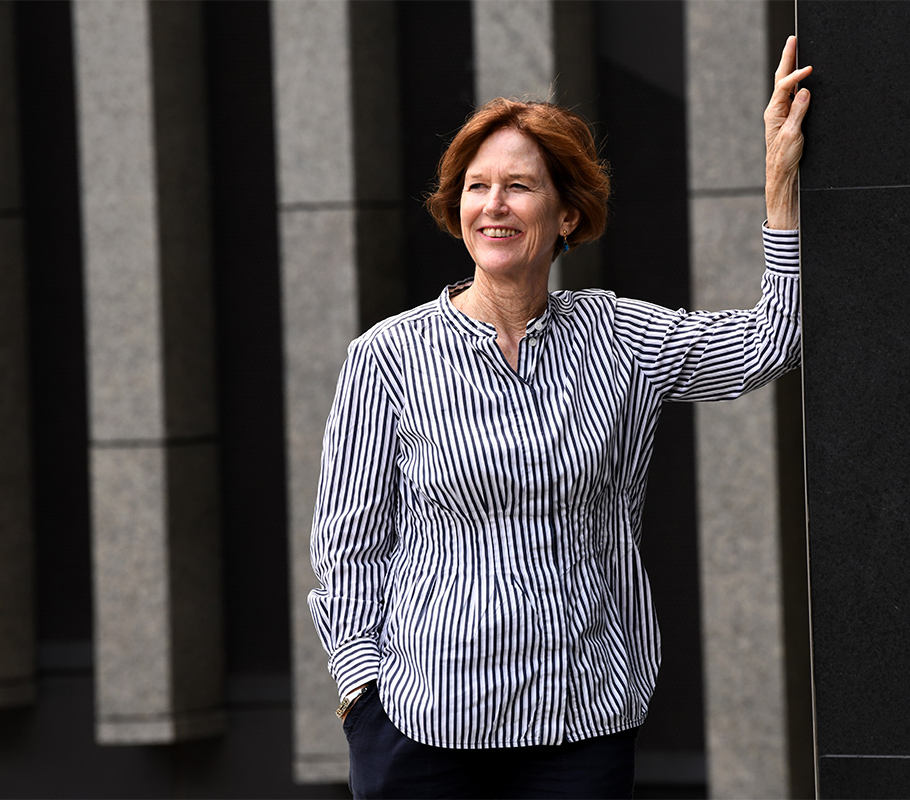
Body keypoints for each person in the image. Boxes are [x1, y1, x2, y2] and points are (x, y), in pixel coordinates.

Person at [309, 36, 812, 800]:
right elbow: (347, 548)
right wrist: (361, 699)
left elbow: (771, 343)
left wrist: (781, 182)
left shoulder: (619, 336)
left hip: (579, 728)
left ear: (568, 212)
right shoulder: (389, 356)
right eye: (477, 187)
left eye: (518, 185)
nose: (493, 204)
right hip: (420, 731)